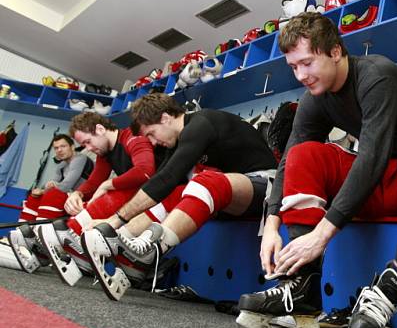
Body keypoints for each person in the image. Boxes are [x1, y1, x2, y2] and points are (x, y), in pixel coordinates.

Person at [237, 12, 397, 328]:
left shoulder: (376, 75)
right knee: (303, 155)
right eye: (294, 67)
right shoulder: (313, 99)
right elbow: (290, 159)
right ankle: (302, 289)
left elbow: (372, 156)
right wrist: (272, 223)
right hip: (374, 182)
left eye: (307, 63)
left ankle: (387, 292)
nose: (301, 75)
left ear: (335, 52)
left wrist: (321, 235)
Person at [81, 93, 277, 301]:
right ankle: (123, 245)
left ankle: (149, 253)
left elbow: (168, 176)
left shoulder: (202, 122)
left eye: (152, 134)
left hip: (265, 188)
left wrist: (114, 219)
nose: (153, 142)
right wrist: (115, 226)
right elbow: (157, 184)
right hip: (231, 198)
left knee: (205, 181)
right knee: (176, 191)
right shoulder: (178, 141)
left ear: (165, 118)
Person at [33, 113, 157, 286]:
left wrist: (108, 184)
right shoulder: (105, 152)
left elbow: (145, 171)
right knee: (84, 199)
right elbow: (94, 181)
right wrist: (78, 194)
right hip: (138, 199)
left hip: (157, 198)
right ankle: (66, 241)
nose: (88, 148)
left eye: (88, 142)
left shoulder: (132, 137)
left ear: (100, 129)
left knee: (115, 192)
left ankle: (70, 240)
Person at [8, 134, 92, 272]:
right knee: (34, 196)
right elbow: (52, 187)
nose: (59, 150)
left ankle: (41, 239)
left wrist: (48, 188)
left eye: (63, 146)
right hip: (69, 201)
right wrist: (42, 191)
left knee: (52, 194)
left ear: (72, 147)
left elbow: (64, 186)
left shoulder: (80, 158)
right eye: (56, 148)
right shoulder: (61, 166)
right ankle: (23, 236)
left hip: (84, 201)